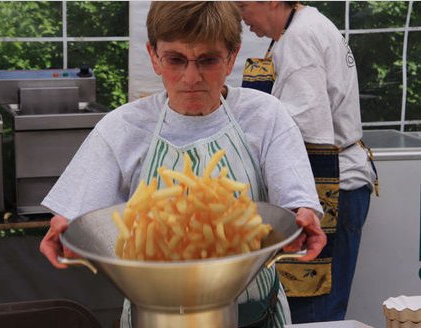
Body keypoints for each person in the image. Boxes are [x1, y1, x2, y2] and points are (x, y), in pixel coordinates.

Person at [40, 2, 326, 327]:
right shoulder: (123, 127)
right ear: (154, 55)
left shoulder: (265, 116)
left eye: (208, 60)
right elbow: (80, 222)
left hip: (254, 316)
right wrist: (64, 232)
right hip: (153, 316)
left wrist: (303, 217)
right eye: (176, 60)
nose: (191, 77)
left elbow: (295, 205)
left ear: (232, 56)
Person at [238, 1, 378, 323]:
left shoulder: (301, 38)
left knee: (314, 313)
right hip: (341, 184)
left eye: (243, 5)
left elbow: (305, 132)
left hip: (329, 190)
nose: (241, 17)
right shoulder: (294, 32)